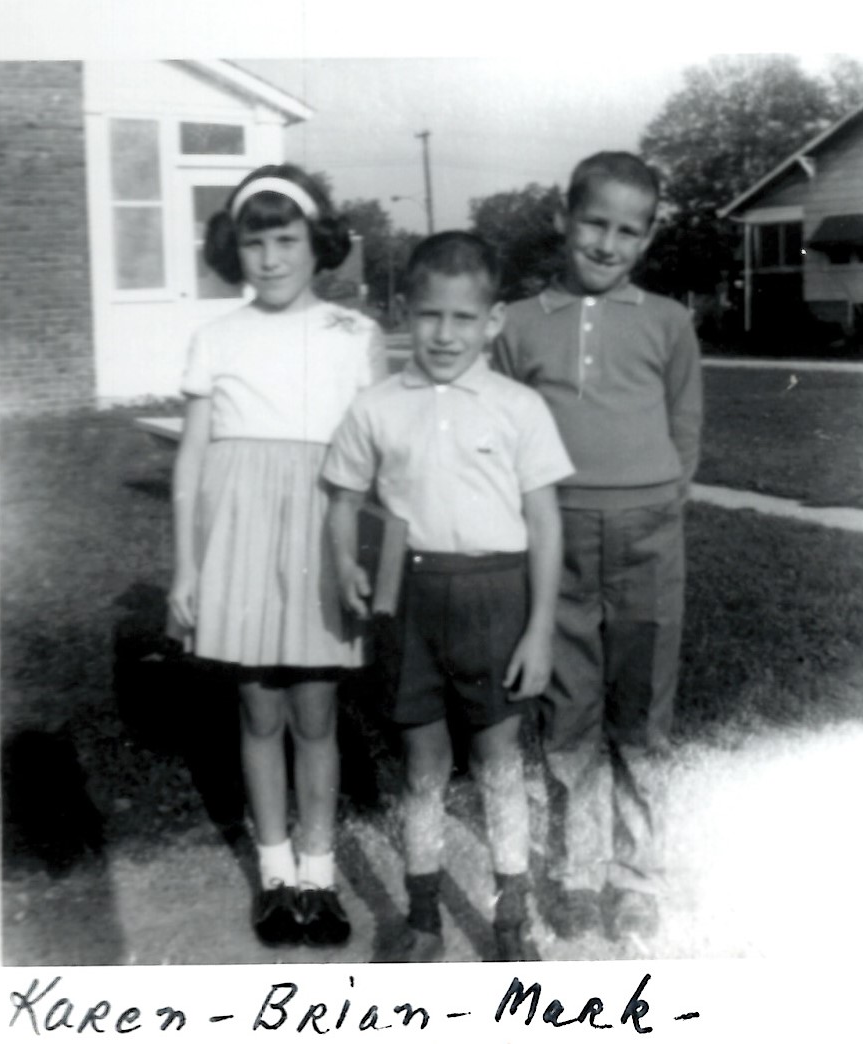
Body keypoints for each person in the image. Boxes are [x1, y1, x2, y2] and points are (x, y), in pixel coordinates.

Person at [324, 232, 573, 961]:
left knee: (499, 760)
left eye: (464, 318)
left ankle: (510, 917)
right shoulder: (376, 406)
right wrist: (343, 564)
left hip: (497, 596)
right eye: (430, 314)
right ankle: (424, 917)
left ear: (492, 321)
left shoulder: (518, 406)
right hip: (410, 599)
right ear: (405, 311)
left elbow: (545, 522)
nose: (444, 333)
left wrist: (539, 629)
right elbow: (343, 499)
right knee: (423, 764)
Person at [167, 163, 388, 948]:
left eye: (286, 240)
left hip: (321, 530)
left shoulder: (354, 335)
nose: (270, 259)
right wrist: (187, 567)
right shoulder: (215, 337)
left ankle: (319, 879)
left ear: (315, 242)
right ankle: (274, 876)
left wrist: (370, 553)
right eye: (254, 243)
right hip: (238, 536)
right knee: (259, 708)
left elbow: (378, 449)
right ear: (234, 249)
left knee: (316, 711)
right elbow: (191, 461)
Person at [492, 151, 703, 941]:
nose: (608, 244)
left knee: (641, 711)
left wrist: (666, 495)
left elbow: (684, 422)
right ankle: (578, 870)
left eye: (627, 231)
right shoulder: (519, 323)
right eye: (594, 224)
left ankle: (637, 875)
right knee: (569, 706)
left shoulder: (668, 320)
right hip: (558, 537)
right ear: (563, 219)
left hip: (648, 534)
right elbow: (502, 429)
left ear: (646, 238)